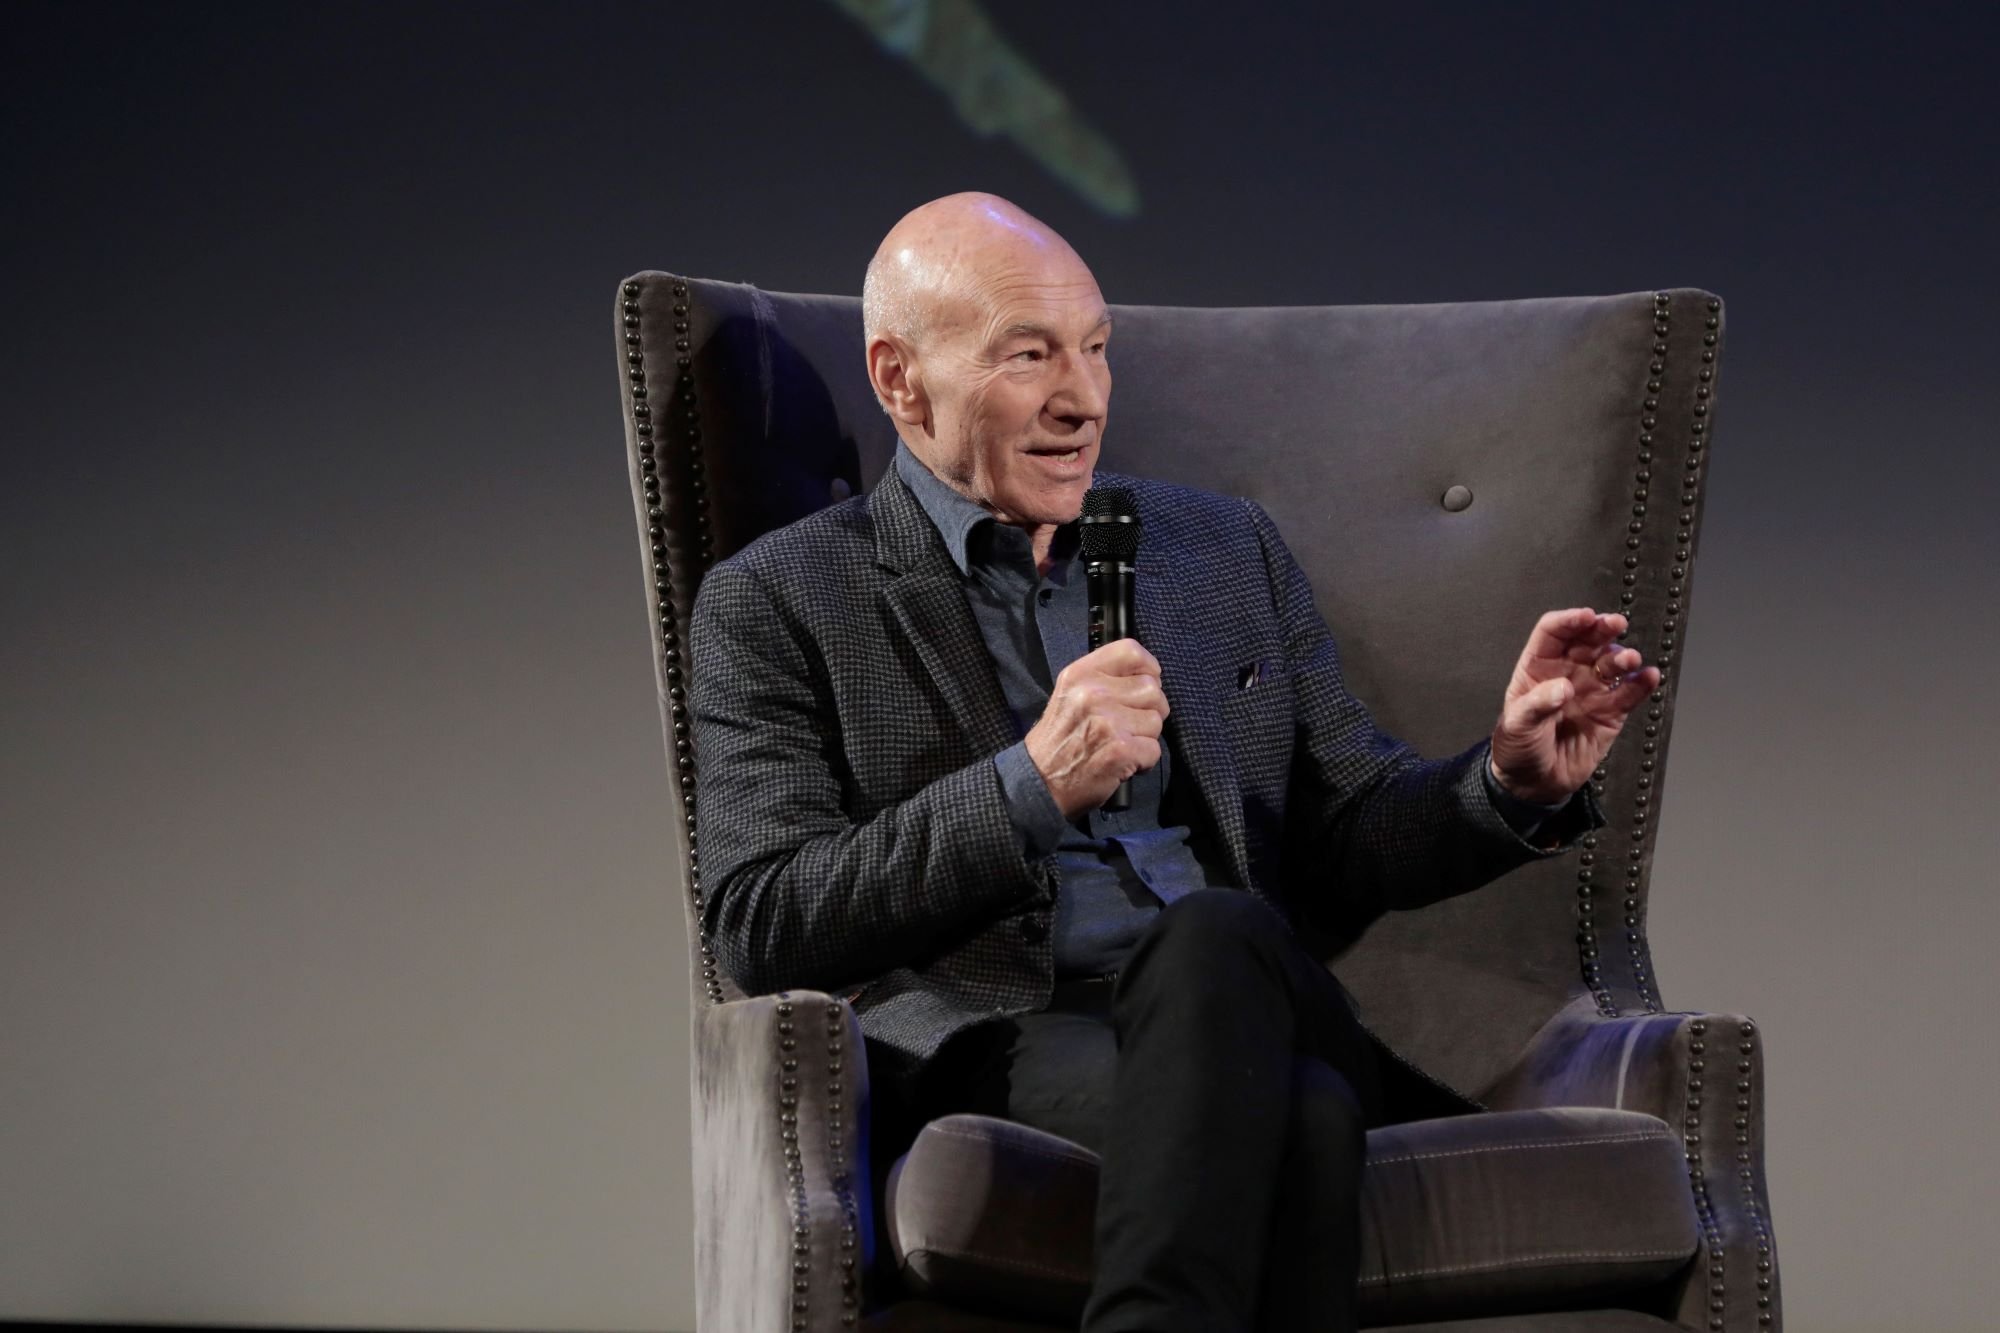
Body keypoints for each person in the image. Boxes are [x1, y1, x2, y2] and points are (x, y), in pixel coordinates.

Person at [688, 192, 1661, 1333]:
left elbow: (1347, 824)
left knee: (1213, 934)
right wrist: (1029, 786)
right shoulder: (781, 600)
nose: (1083, 399)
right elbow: (759, 921)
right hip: (1014, 1039)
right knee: (1295, 1120)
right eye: (1028, 355)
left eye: (1096, 349)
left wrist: (1505, 785)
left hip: (1249, 985)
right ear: (900, 379)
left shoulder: (1215, 548)